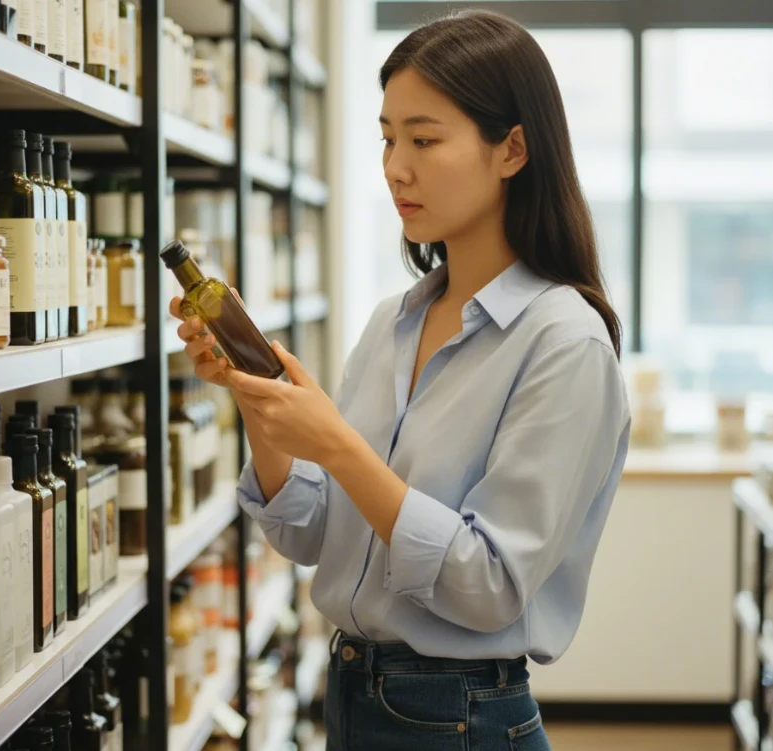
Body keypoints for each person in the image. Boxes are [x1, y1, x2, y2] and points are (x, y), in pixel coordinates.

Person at [172, 9, 629, 751]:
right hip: (353, 694)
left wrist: (338, 445)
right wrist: (259, 399)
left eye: (423, 139)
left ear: (512, 149)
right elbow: (312, 533)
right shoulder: (395, 321)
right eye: (387, 138)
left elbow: (488, 585)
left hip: (460, 717)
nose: (394, 167)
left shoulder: (563, 342)